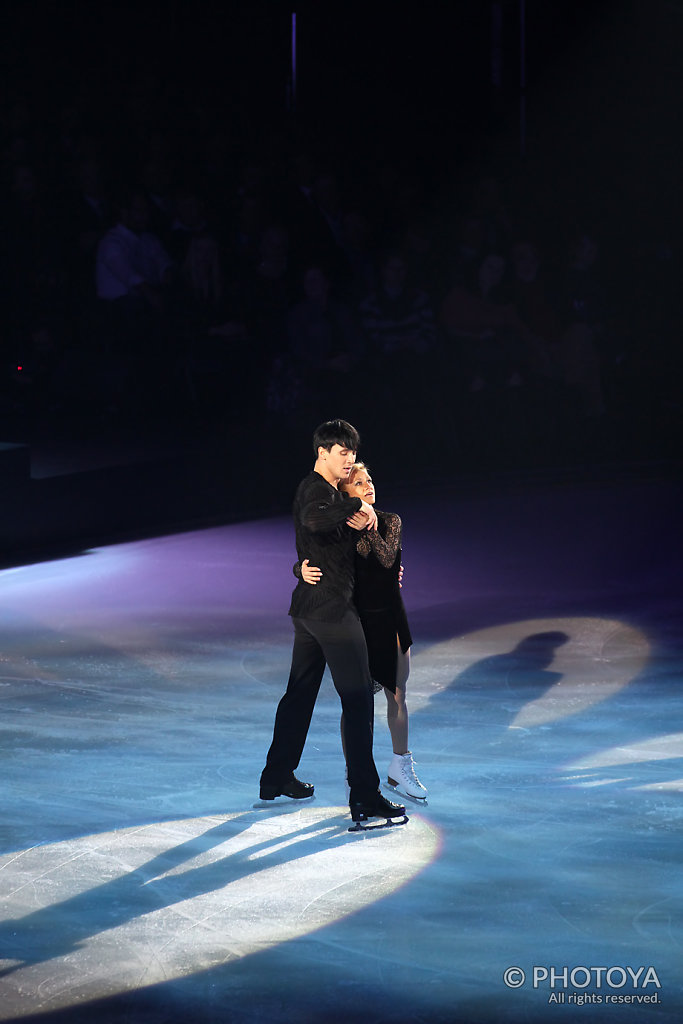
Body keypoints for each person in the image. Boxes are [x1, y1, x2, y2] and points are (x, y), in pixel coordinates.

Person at [259, 419, 406, 827]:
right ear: (322, 453)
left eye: (352, 453)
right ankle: (364, 796)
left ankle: (276, 776)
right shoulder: (315, 489)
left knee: (300, 694)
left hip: (310, 611)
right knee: (358, 701)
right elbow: (312, 520)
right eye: (342, 452)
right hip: (331, 614)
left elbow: (320, 542)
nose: (349, 460)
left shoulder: (328, 495)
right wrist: (359, 505)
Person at [296, 462, 427, 802]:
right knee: (357, 702)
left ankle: (400, 766)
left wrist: (369, 526)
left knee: (398, 693)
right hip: (356, 622)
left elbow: (386, 562)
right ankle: (357, 770)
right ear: (345, 494)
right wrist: (299, 568)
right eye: (358, 482)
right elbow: (319, 560)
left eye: (370, 479)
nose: (368, 485)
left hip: (391, 618)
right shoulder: (338, 530)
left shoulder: (391, 520)